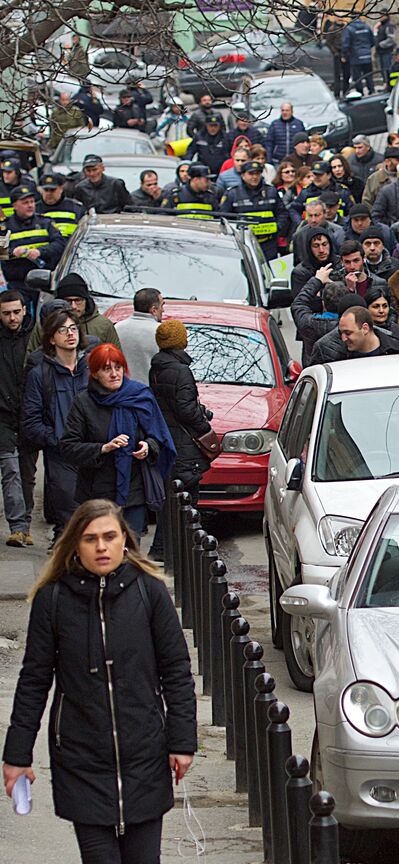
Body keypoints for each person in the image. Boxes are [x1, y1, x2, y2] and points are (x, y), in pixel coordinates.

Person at [2, 498, 196, 863]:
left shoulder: (149, 592)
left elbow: (176, 671)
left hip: (144, 753)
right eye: (90, 539)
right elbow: (34, 681)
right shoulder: (53, 599)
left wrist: (182, 741)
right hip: (80, 758)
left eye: (109, 536)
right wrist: (16, 754)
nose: (102, 547)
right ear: (76, 544)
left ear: (125, 538)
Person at [60, 344, 175, 535]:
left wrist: (147, 446)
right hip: (97, 492)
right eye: (107, 369)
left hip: (134, 488)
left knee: (131, 548)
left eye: (118, 367)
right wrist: (103, 448)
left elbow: (159, 436)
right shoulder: (83, 402)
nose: (114, 374)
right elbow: (68, 446)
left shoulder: (140, 396)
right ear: (95, 374)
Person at [147, 319, 213, 560]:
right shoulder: (180, 370)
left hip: (169, 438)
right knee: (187, 498)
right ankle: (173, 551)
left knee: (173, 497)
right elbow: (185, 408)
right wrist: (203, 424)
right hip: (184, 443)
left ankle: (162, 548)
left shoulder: (158, 367)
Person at [23, 309, 88, 540]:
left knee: (94, 517)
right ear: (52, 338)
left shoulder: (91, 370)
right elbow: (30, 422)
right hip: (62, 455)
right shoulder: (40, 375)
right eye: (62, 330)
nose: (70, 335)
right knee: (69, 517)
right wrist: (56, 439)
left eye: (73, 329)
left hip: (94, 453)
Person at [0, 290, 32, 546]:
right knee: (11, 468)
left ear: (24, 310)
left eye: (16, 312)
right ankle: (18, 525)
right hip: (3, 415)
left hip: (29, 414)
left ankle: (26, 524)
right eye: (6, 313)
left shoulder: (34, 338)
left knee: (26, 471)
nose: (12, 318)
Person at [3, 184, 66, 310]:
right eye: (25, 202)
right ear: (14, 205)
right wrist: (12, 253)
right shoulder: (5, 227)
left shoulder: (45, 222)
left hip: (45, 284)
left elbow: (60, 244)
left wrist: (40, 252)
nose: (30, 205)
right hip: (18, 283)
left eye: (32, 201)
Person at [48, 275, 120, 352]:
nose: (73, 306)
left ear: (86, 301)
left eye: (78, 300)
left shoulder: (103, 325)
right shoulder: (47, 323)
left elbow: (116, 358)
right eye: (68, 301)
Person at [112, 289, 163, 386]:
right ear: (153, 310)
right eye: (162, 305)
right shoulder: (161, 332)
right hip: (150, 393)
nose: (163, 310)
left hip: (121, 391)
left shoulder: (117, 328)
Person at [35, 172, 84, 239]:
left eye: (52, 190)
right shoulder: (34, 210)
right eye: (46, 190)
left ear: (61, 189)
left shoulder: (76, 208)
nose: (49, 193)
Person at [341, 16, 376, 94]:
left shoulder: (349, 28)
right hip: (367, 56)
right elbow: (373, 41)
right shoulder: (366, 26)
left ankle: (360, 93)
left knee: (357, 78)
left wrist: (344, 55)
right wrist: (367, 49)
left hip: (355, 57)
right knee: (369, 75)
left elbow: (345, 44)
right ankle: (371, 91)